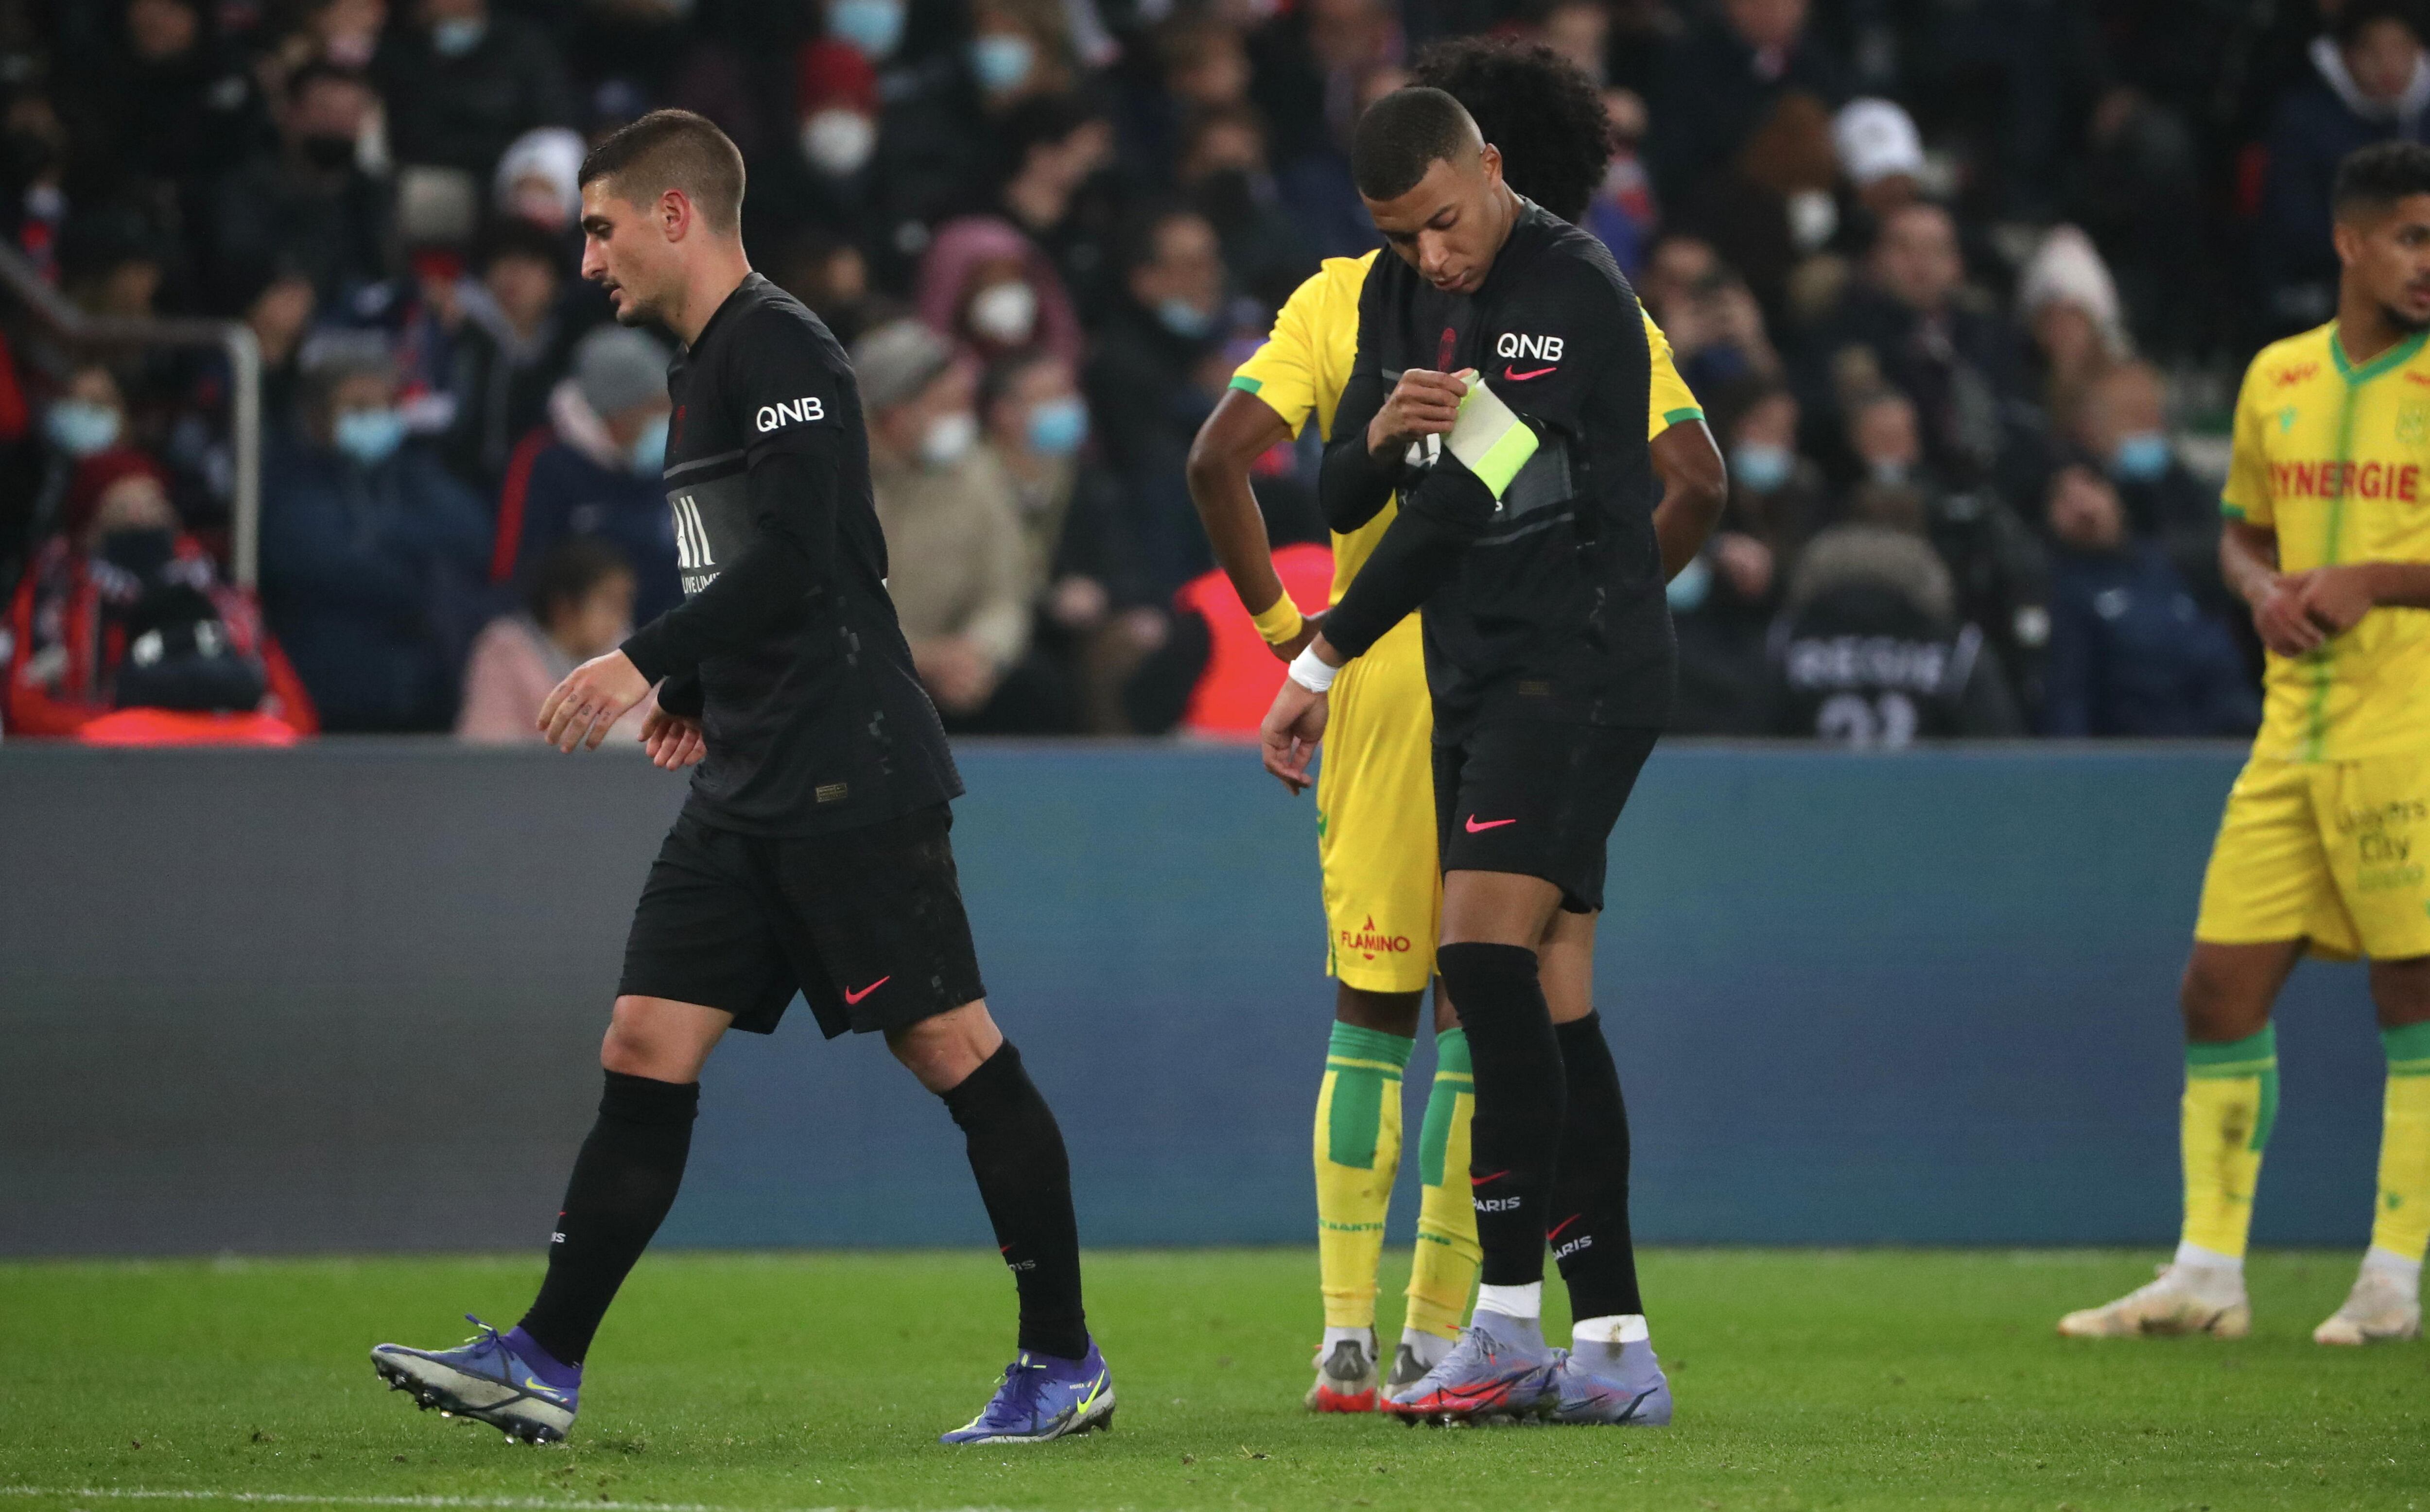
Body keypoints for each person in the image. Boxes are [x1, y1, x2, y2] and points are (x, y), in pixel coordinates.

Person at [368, 110, 1111, 1445]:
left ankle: (1064, 1363)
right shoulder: (705, 368)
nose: (586, 255)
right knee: (645, 1041)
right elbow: (743, 565)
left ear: (673, 214)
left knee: (952, 1049)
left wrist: (643, 660)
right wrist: (704, 691)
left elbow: (814, 549)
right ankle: (543, 1359)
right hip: (749, 768)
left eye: (600, 226)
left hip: (845, 767)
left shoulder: (782, 347)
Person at [1189, 40, 1723, 1422]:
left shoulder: (1562, 291)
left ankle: (1488, 1324)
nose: (1431, 253)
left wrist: (1318, 650)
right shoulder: (1439, 302)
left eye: (1446, 219)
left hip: (1570, 673)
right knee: (1552, 997)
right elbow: (1362, 472)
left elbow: (1465, 498)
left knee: (1475, 959)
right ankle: (1610, 1343)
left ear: (1496, 169)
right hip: (1498, 672)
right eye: (1401, 236)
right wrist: (1379, 456)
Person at [2058, 141, 2430, 1349]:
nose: (2429, 263)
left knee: (2411, 994)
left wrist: (2374, 575)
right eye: (2413, 237)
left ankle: (2392, 1274)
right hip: (2290, 732)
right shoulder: (2277, 376)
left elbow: (2373, 568)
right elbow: (2238, 535)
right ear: (2350, 241)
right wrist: (2261, 586)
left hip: (2408, 728)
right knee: (2215, 991)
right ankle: (2207, 1273)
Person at [2040, 462, 2257, 739]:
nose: (2083, 505)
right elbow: (2068, 698)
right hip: (2134, 758)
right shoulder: (2063, 592)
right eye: (2065, 498)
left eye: (2092, 487)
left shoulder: (2166, 567)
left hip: (2215, 744)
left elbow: (2218, 658)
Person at [457, 536, 648, 744]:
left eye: (625, 604)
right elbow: (487, 745)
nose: (621, 618)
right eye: (609, 604)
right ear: (563, 608)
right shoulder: (504, 650)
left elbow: (657, 731)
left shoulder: (631, 653)